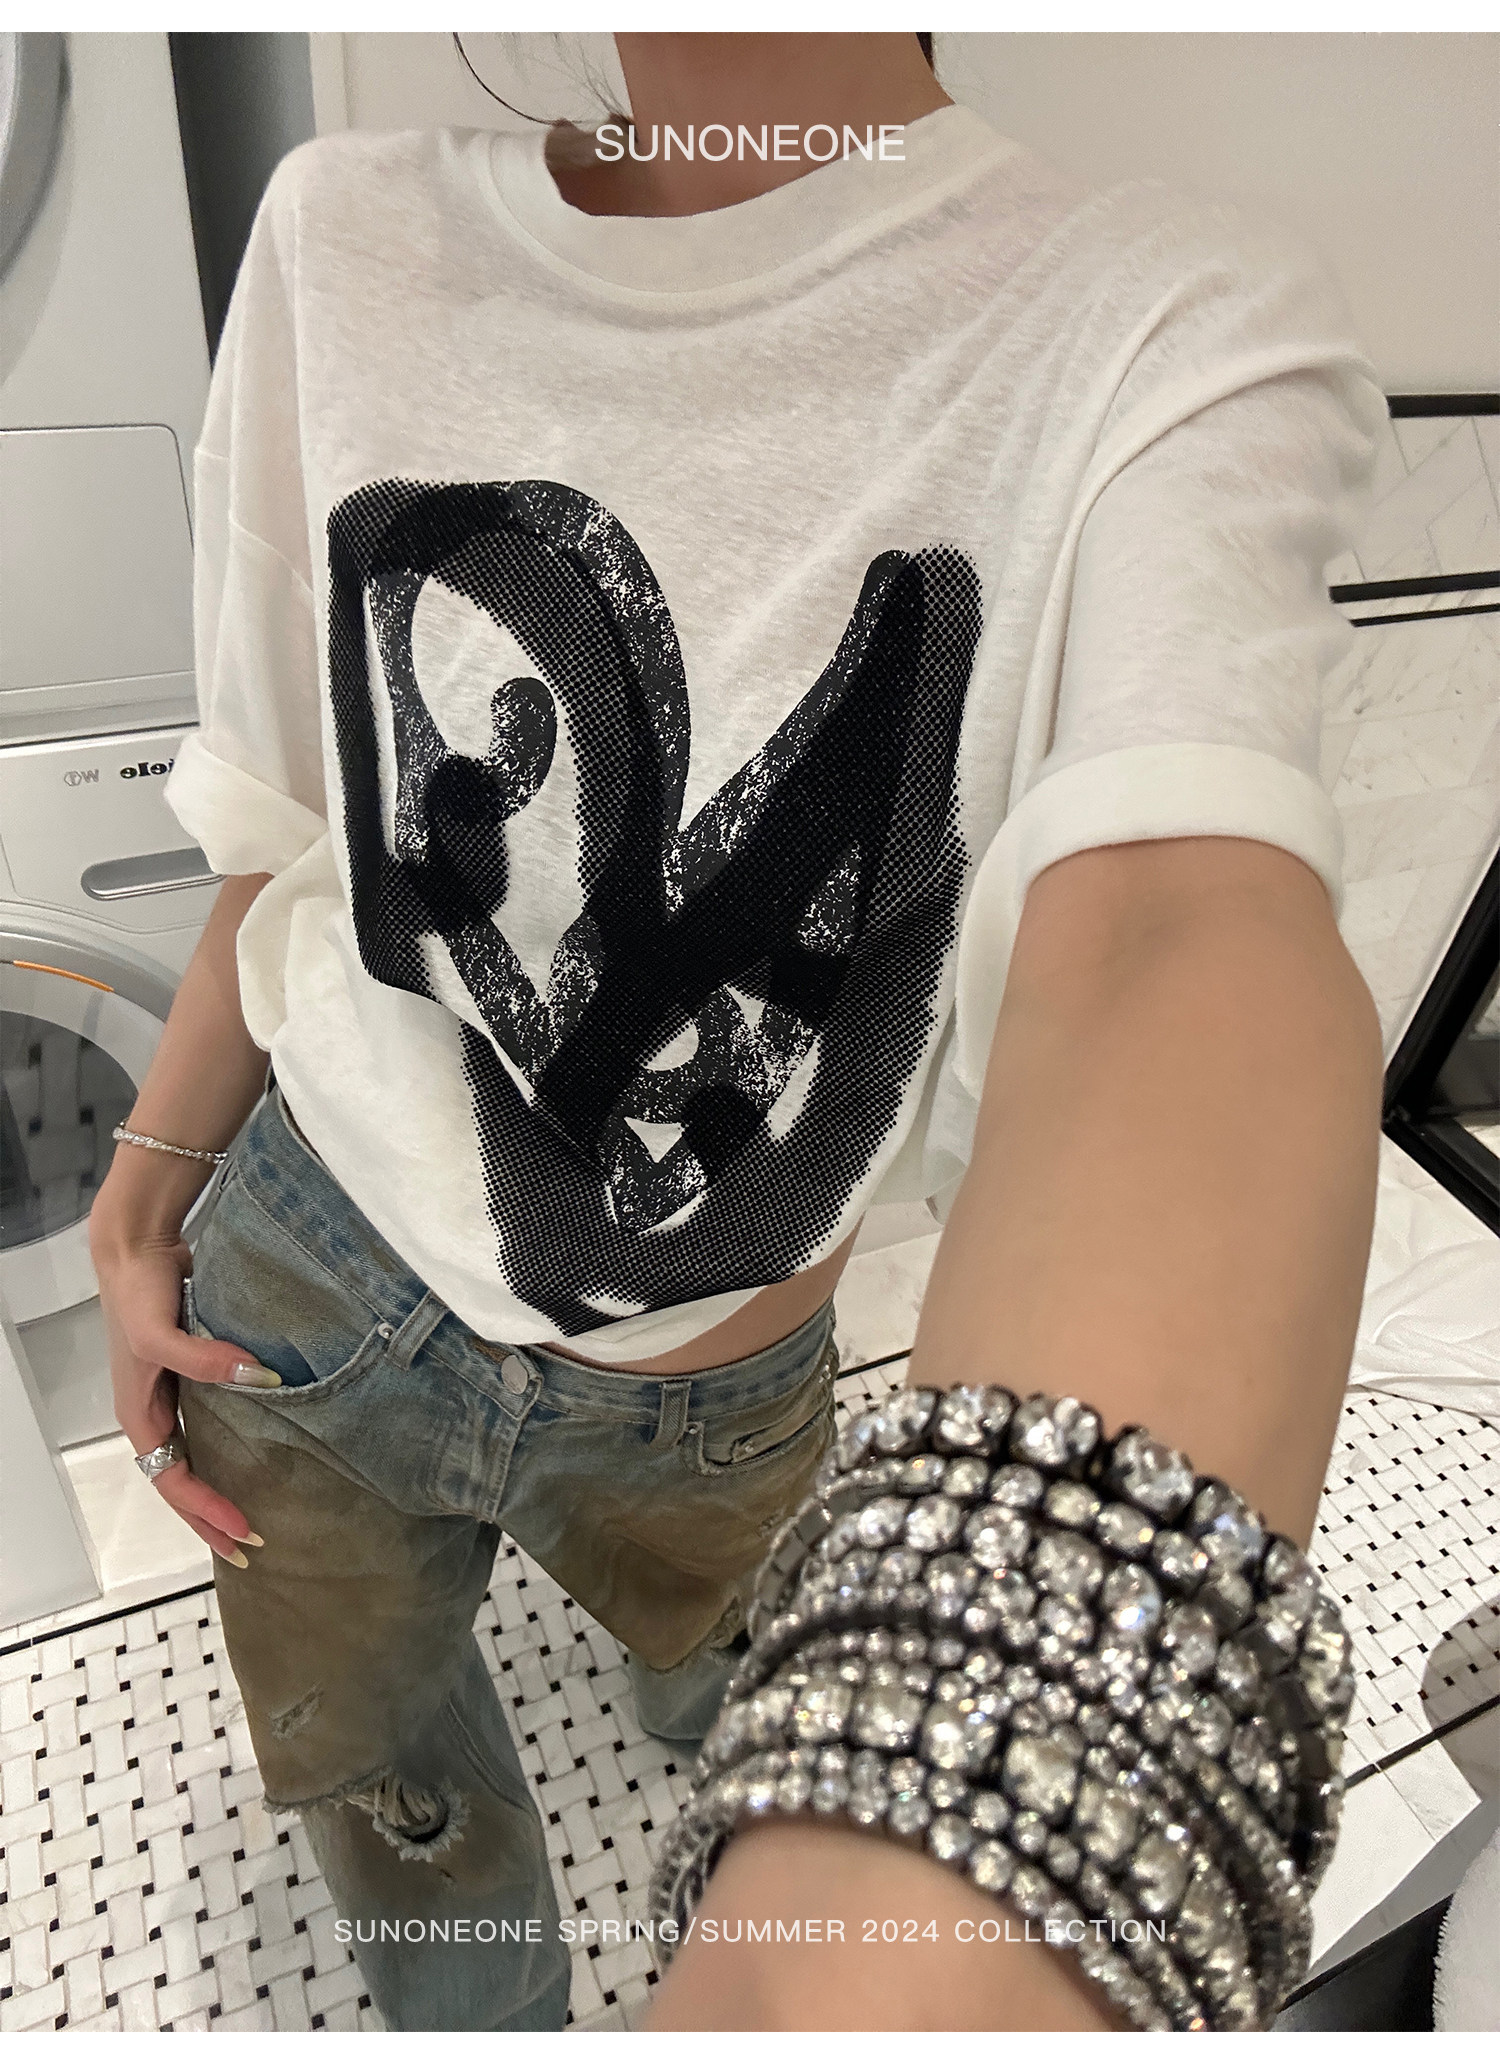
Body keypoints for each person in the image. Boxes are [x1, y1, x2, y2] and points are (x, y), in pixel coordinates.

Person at [88, 29, 1386, 2036]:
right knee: (389, 1781)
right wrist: (148, 1184)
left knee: (734, 1696)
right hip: (307, 1295)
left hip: (726, 1396)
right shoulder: (336, 232)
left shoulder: (1161, 332)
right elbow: (286, 832)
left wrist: (951, 1858)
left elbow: (1170, 937)